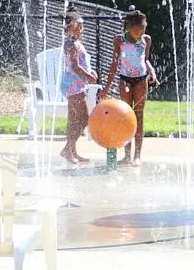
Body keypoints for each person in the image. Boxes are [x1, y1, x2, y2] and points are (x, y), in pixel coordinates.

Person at [103, 10, 159, 166]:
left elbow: (145, 59)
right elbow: (115, 64)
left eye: (142, 31)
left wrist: (152, 71)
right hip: (125, 80)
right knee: (126, 116)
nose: (139, 35)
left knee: (139, 116)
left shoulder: (146, 40)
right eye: (136, 32)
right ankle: (127, 155)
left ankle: (137, 156)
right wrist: (107, 87)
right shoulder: (119, 40)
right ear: (128, 27)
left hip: (141, 80)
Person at [59, 12, 99, 164]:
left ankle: (72, 152)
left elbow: (81, 63)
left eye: (82, 28)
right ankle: (67, 148)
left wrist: (90, 72)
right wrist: (88, 77)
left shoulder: (74, 42)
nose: (80, 31)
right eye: (77, 28)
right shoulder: (70, 43)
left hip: (73, 84)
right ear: (70, 28)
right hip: (73, 85)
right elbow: (75, 66)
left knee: (73, 119)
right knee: (84, 119)